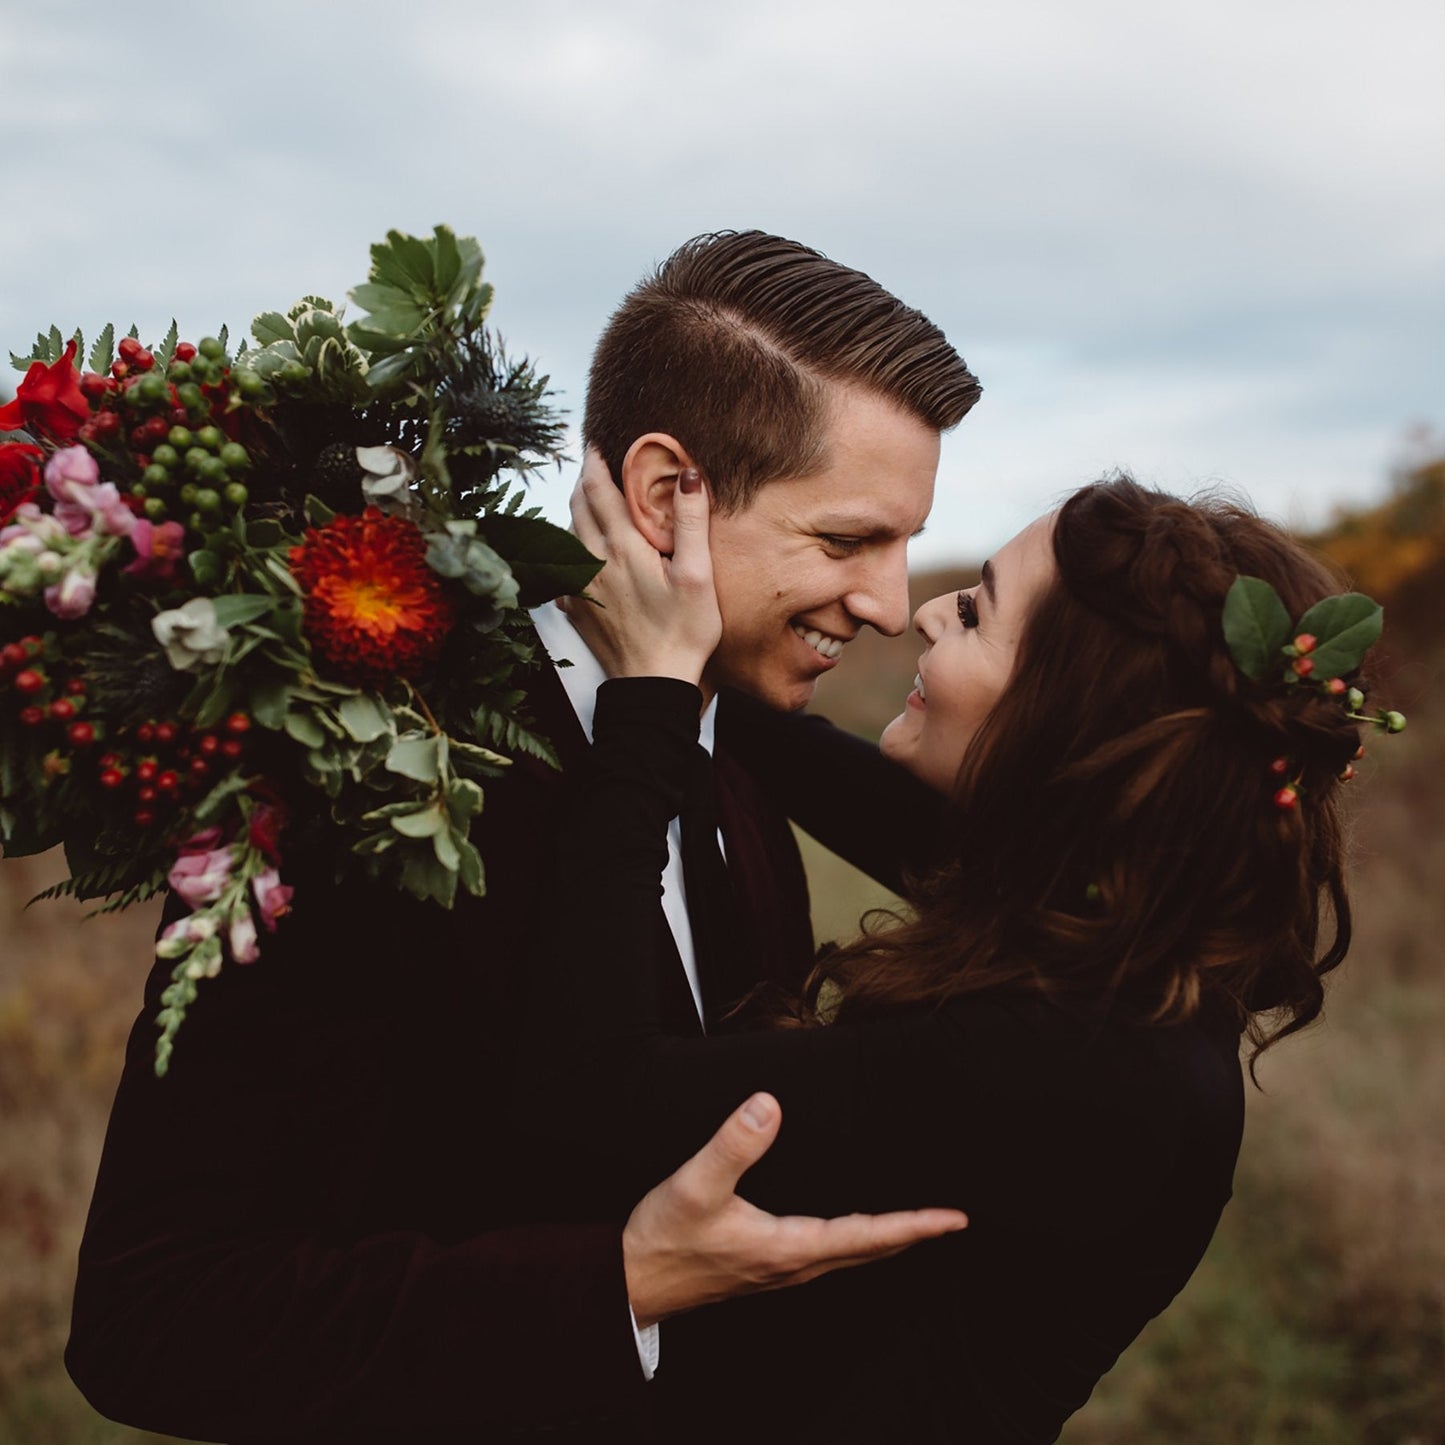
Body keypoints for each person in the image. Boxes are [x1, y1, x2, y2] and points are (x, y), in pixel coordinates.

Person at [66, 231, 981, 1441]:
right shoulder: (368, 786)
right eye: (845, 539)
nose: (885, 600)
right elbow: (151, 1315)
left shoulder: (738, 755)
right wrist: (618, 1285)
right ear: (664, 498)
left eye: (905, 543)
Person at [521, 467, 1380, 1443]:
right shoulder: (1104, 915)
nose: (923, 615)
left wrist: (647, 700)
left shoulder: (1084, 1065)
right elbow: (801, 757)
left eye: (975, 611)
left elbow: (591, 1091)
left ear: (1063, 718)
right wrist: (678, 630)